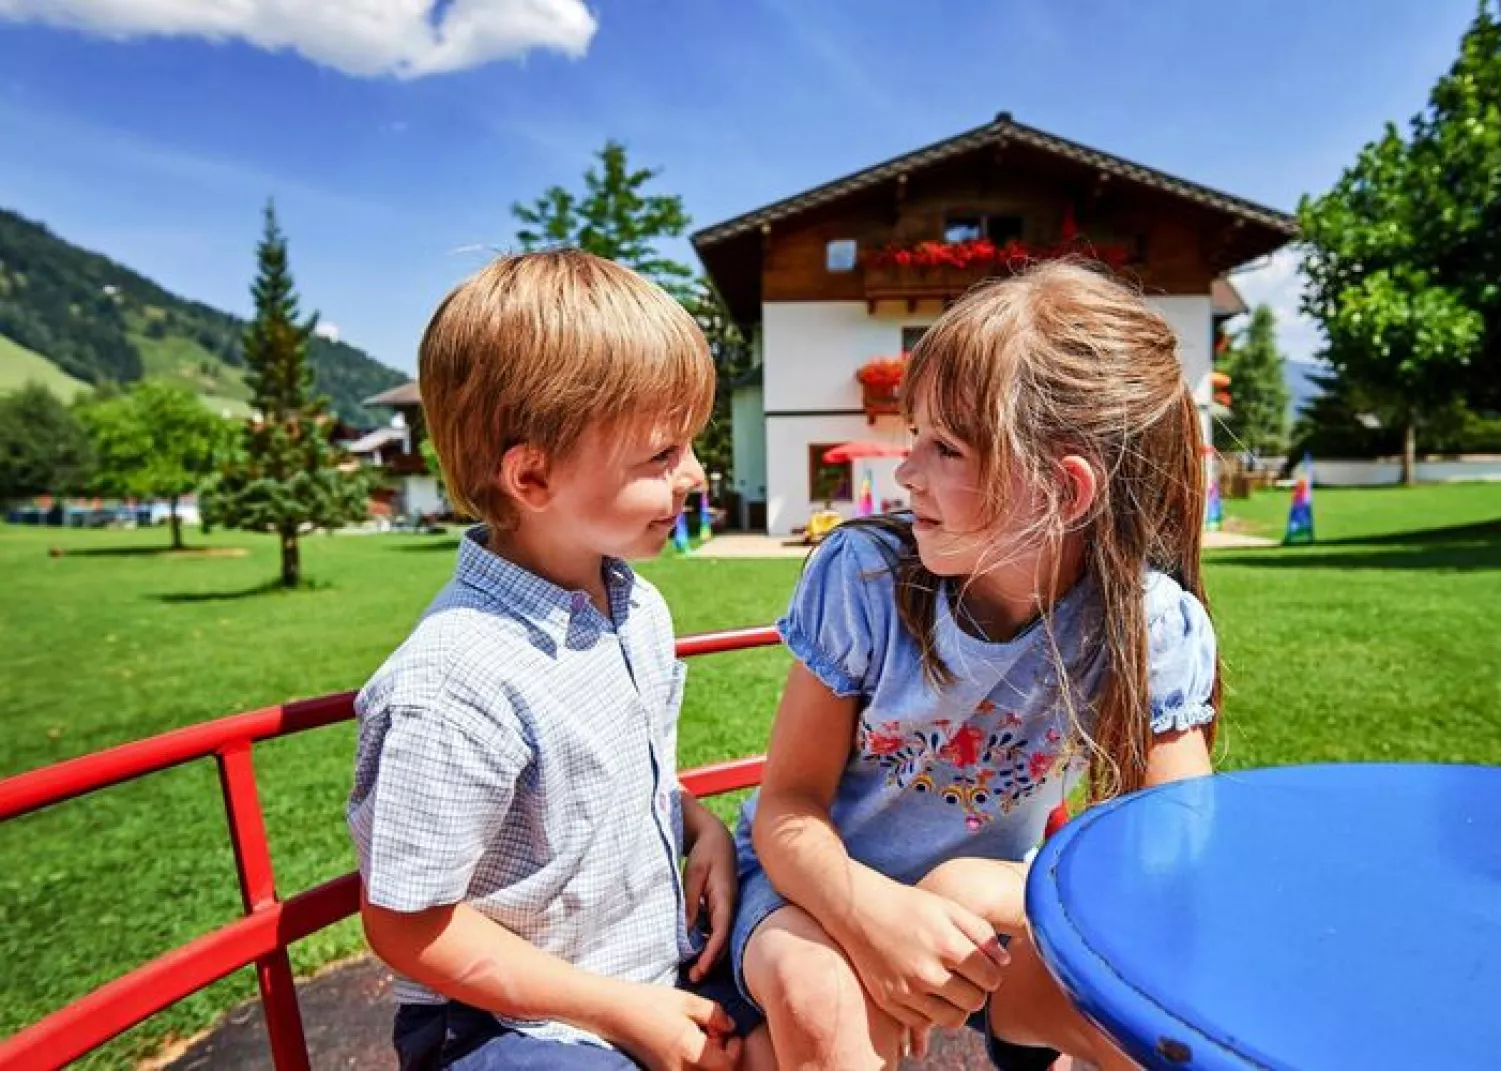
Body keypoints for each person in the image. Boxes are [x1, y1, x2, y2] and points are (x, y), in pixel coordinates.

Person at [733, 260, 1221, 1068]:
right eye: (911, 436)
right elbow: (786, 807)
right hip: (814, 887)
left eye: (945, 446)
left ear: (1063, 493)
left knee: (1153, 1034)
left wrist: (979, 889)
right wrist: (870, 918)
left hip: (986, 907)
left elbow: (1175, 852)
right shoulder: (865, 577)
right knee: (822, 1007)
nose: (905, 471)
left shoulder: (1144, 622)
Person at [347, 251, 763, 1070]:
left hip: (646, 969)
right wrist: (622, 1011)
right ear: (532, 474)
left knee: (825, 991)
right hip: (510, 1025)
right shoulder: (456, 681)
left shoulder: (637, 606)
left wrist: (698, 823)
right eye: (661, 454)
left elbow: (615, 782)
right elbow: (407, 924)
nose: (696, 474)